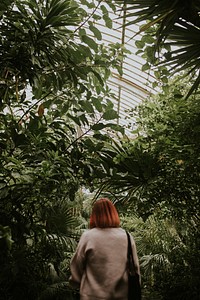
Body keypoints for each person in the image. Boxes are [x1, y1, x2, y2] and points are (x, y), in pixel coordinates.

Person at [69, 198, 140, 300]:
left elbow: (77, 265)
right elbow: (135, 268)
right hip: (121, 296)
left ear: (94, 215)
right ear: (114, 214)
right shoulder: (127, 236)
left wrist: (75, 283)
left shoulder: (88, 236)